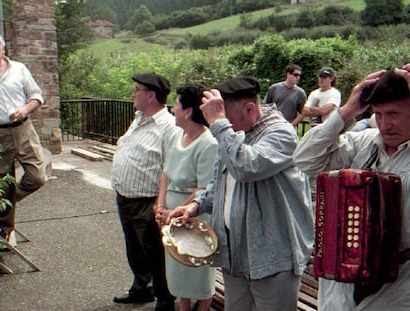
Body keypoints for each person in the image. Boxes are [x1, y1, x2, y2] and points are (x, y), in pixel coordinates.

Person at [166, 76, 314, 311]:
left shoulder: (281, 134)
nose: (226, 127)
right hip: (235, 252)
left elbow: (245, 166)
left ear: (249, 109)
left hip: (272, 258)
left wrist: (219, 124)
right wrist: (196, 205)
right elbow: (219, 182)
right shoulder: (233, 133)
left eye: (228, 119)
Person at [293, 65, 410, 310]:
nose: (385, 124)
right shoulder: (363, 143)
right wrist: (347, 111)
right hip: (341, 282)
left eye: (394, 114)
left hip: (398, 286)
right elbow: (304, 159)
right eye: (378, 114)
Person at [111, 73, 176, 311]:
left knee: (155, 253)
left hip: (147, 200)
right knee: (135, 248)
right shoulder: (138, 118)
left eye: (136, 89)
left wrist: (160, 204)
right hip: (125, 196)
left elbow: (168, 169)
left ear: (151, 95)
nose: (132, 93)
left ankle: (165, 300)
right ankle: (141, 289)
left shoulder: (168, 127)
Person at [154, 83, 218, 311]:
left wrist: (175, 210)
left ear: (188, 111)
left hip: (195, 216)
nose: (173, 110)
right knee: (178, 271)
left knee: (199, 275)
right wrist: (160, 206)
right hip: (170, 215)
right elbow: (165, 172)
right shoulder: (176, 136)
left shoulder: (208, 143)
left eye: (177, 105)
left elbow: (203, 188)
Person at [0, 31, 49, 245]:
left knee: (37, 176)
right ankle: (6, 232)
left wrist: (25, 109)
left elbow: (37, 96)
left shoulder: (19, 69)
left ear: (3, 48)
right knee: (1, 181)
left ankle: (9, 203)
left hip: (23, 128)